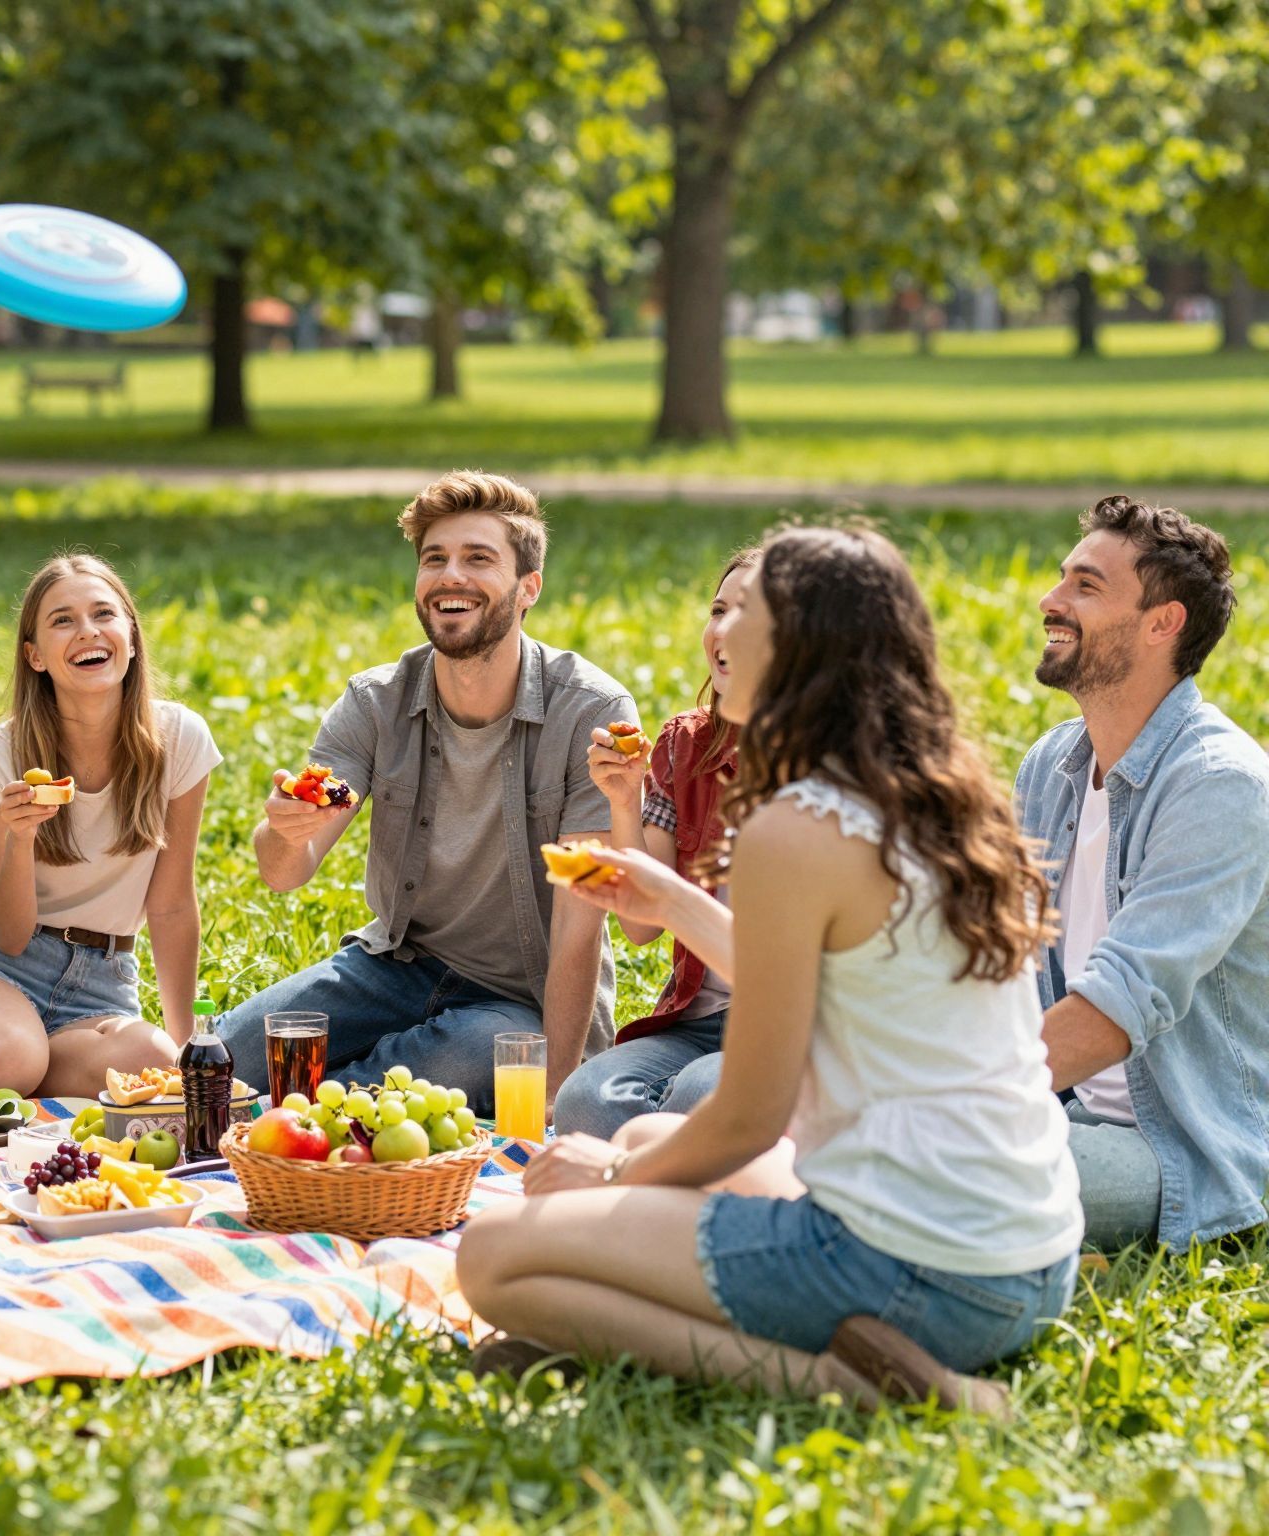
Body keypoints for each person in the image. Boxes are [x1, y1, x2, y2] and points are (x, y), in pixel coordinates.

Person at [456, 525, 1083, 1413]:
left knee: (494, 1252)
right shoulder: (929, 792)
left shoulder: (795, 828)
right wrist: (670, 901)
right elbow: (835, 975)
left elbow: (749, 1119)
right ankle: (636, 1325)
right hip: (1025, 1258)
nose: (719, 633)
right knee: (638, 1135)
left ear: (799, 644)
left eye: (743, 611)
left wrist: (600, 1187)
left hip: (916, 1275)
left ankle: (841, 1382)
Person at [216, 471, 635, 1115]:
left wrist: (554, 1082)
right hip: (392, 966)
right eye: (433, 559)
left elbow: (581, 929)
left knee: (448, 1064)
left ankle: (309, 1116)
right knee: (232, 1061)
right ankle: (307, 1111)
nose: (449, 576)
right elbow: (286, 875)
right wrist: (282, 830)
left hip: (515, 1000)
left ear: (529, 588)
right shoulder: (376, 701)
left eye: (478, 558)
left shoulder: (590, 712)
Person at [1016, 495, 1269, 1250]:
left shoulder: (1220, 785)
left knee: (922, 1164)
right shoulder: (1051, 767)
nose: (1050, 601)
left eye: (1085, 587)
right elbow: (999, 958)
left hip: (1180, 1148)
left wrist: (941, 1101)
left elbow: (1116, 1008)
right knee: (714, 1088)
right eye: (1063, 578)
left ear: (1164, 623)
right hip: (1055, 1106)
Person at [0, 554, 219, 1099]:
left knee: (150, 1063)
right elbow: (8, 936)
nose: (87, 631)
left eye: (103, 613)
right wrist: (21, 837)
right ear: (34, 656)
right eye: (62, 619)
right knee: (7, 1056)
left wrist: (186, 1050)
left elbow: (172, 903)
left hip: (103, 983)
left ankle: (25, 1070)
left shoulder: (180, 739)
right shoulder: (0, 757)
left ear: (130, 636)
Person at [552, 549, 755, 1137]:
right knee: (586, 1102)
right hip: (700, 1019)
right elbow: (642, 929)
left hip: (798, 1020)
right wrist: (623, 798)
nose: (721, 628)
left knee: (697, 1095)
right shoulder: (685, 748)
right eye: (717, 609)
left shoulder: (835, 773)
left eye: (746, 613)